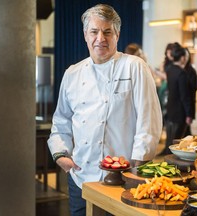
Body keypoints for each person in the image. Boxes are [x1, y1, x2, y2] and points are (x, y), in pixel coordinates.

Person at [47, 4, 162, 216]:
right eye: (94, 31)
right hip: (80, 178)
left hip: (124, 178)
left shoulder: (134, 66)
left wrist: (136, 166)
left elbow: (149, 120)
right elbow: (61, 120)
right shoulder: (72, 74)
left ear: (117, 34)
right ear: (85, 35)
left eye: (107, 31)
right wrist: (61, 154)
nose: (100, 38)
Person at [162, 44, 196, 155]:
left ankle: (167, 161)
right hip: (180, 112)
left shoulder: (170, 70)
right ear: (182, 58)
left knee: (170, 141)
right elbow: (184, 96)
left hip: (171, 109)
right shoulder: (181, 73)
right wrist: (189, 114)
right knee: (177, 143)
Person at [183, 47, 197, 136]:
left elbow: (192, 92)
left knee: (185, 132)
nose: (184, 58)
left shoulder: (191, 71)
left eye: (186, 56)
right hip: (180, 108)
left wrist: (190, 113)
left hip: (188, 105)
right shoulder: (178, 70)